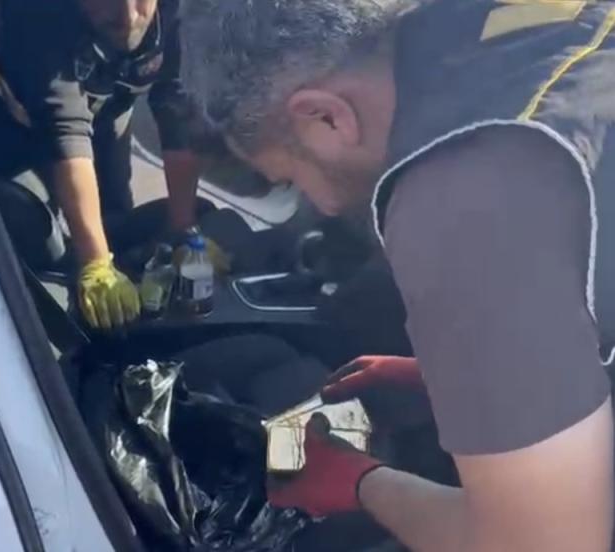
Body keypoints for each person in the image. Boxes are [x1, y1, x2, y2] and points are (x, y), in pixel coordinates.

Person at [180, 1, 615, 550]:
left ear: (325, 117)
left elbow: (546, 546)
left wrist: (360, 482)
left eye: (291, 178)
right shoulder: (521, 24)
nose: (321, 205)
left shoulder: (457, 199)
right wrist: (453, 381)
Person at [0, 0, 227, 331]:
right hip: (17, 115)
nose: (128, 16)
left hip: (110, 99)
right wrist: (95, 263)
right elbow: (65, 132)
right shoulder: (35, 15)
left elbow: (177, 110)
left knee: (115, 212)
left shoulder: (184, 11)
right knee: (37, 232)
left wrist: (183, 229)